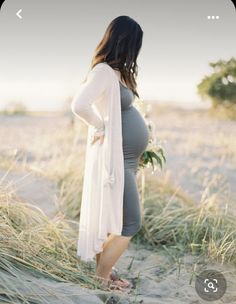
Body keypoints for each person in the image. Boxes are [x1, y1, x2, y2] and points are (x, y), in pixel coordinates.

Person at [71, 15, 149, 291]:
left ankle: (105, 272)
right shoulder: (103, 71)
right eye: (134, 45)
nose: (135, 52)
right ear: (124, 42)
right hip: (117, 162)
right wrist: (101, 127)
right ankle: (101, 280)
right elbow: (80, 105)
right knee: (130, 223)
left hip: (127, 161)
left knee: (112, 221)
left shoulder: (116, 73)